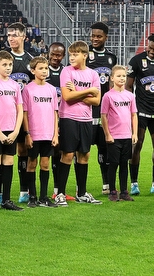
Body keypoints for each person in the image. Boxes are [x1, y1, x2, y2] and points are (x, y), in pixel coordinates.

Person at [55, 41, 102, 206]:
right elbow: (67, 97)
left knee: (85, 155)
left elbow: (97, 101)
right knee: (67, 154)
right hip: (68, 117)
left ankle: (81, 193)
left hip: (86, 119)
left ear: (85, 55)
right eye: (71, 54)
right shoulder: (66, 72)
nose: (72, 57)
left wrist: (76, 92)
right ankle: (60, 193)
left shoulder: (93, 75)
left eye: (75, 54)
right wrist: (88, 91)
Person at [126, 33, 154, 196]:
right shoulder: (136, 61)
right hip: (140, 111)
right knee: (136, 145)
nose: (151, 51)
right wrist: (130, 109)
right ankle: (134, 184)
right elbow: (129, 86)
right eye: (150, 48)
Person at [0, 50, 24, 212]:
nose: (8, 68)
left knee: (8, 163)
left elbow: (20, 110)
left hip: (12, 130)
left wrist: (15, 132)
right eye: (4, 65)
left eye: (10, 65)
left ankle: (6, 200)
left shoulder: (15, 85)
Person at [22, 56, 59, 208]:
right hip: (34, 133)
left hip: (48, 133)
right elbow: (24, 113)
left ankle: (44, 197)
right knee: (31, 164)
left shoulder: (51, 89)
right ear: (33, 70)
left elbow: (55, 113)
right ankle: (32, 197)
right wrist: (27, 134)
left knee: (45, 164)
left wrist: (56, 133)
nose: (44, 71)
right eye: (41, 68)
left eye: (46, 68)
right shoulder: (28, 89)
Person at [5, 22, 36, 204]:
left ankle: (24, 190)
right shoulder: (4, 59)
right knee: (4, 152)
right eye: (9, 35)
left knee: (24, 150)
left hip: (24, 113)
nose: (11, 38)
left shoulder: (30, 60)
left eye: (15, 35)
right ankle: (1, 193)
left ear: (24, 37)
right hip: (6, 113)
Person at [87, 22, 118, 195]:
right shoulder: (85, 54)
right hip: (87, 109)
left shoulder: (111, 58)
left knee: (104, 148)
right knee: (82, 149)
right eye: (93, 36)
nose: (95, 39)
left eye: (99, 36)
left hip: (104, 111)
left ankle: (106, 184)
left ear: (106, 37)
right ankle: (80, 187)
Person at [100, 65, 138, 202]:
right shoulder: (108, 96)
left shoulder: (130, 96)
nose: (122, 78)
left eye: (124, 76)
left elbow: (134, 115)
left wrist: (134, 133)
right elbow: (103, 116)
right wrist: (107, 134)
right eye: (119, 76)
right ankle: (112, 191)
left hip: (126, 136)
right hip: (114, 136)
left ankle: (124, 192)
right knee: (113, 164)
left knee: (124, 164)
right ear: (112, 78)